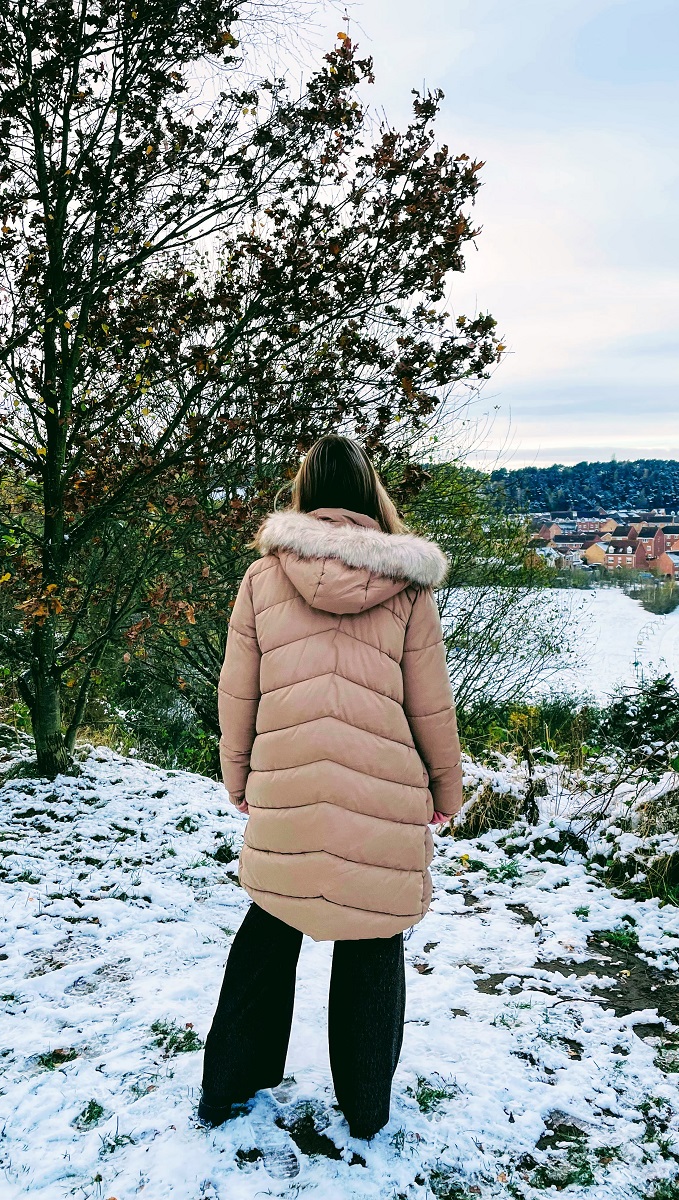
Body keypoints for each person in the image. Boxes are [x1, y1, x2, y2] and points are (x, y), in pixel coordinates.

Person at [198, 434, 463, 1141]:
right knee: (374, 935)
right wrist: (446, 788)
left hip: (286, 779)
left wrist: (238, 774)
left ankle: (229, 1086)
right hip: (382, 789)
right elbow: (428, 701)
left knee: (270, 924)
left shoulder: (263, 577)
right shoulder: (409, 586)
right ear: (373, 493)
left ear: (304, 492)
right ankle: (366, 1108)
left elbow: (238, 691)